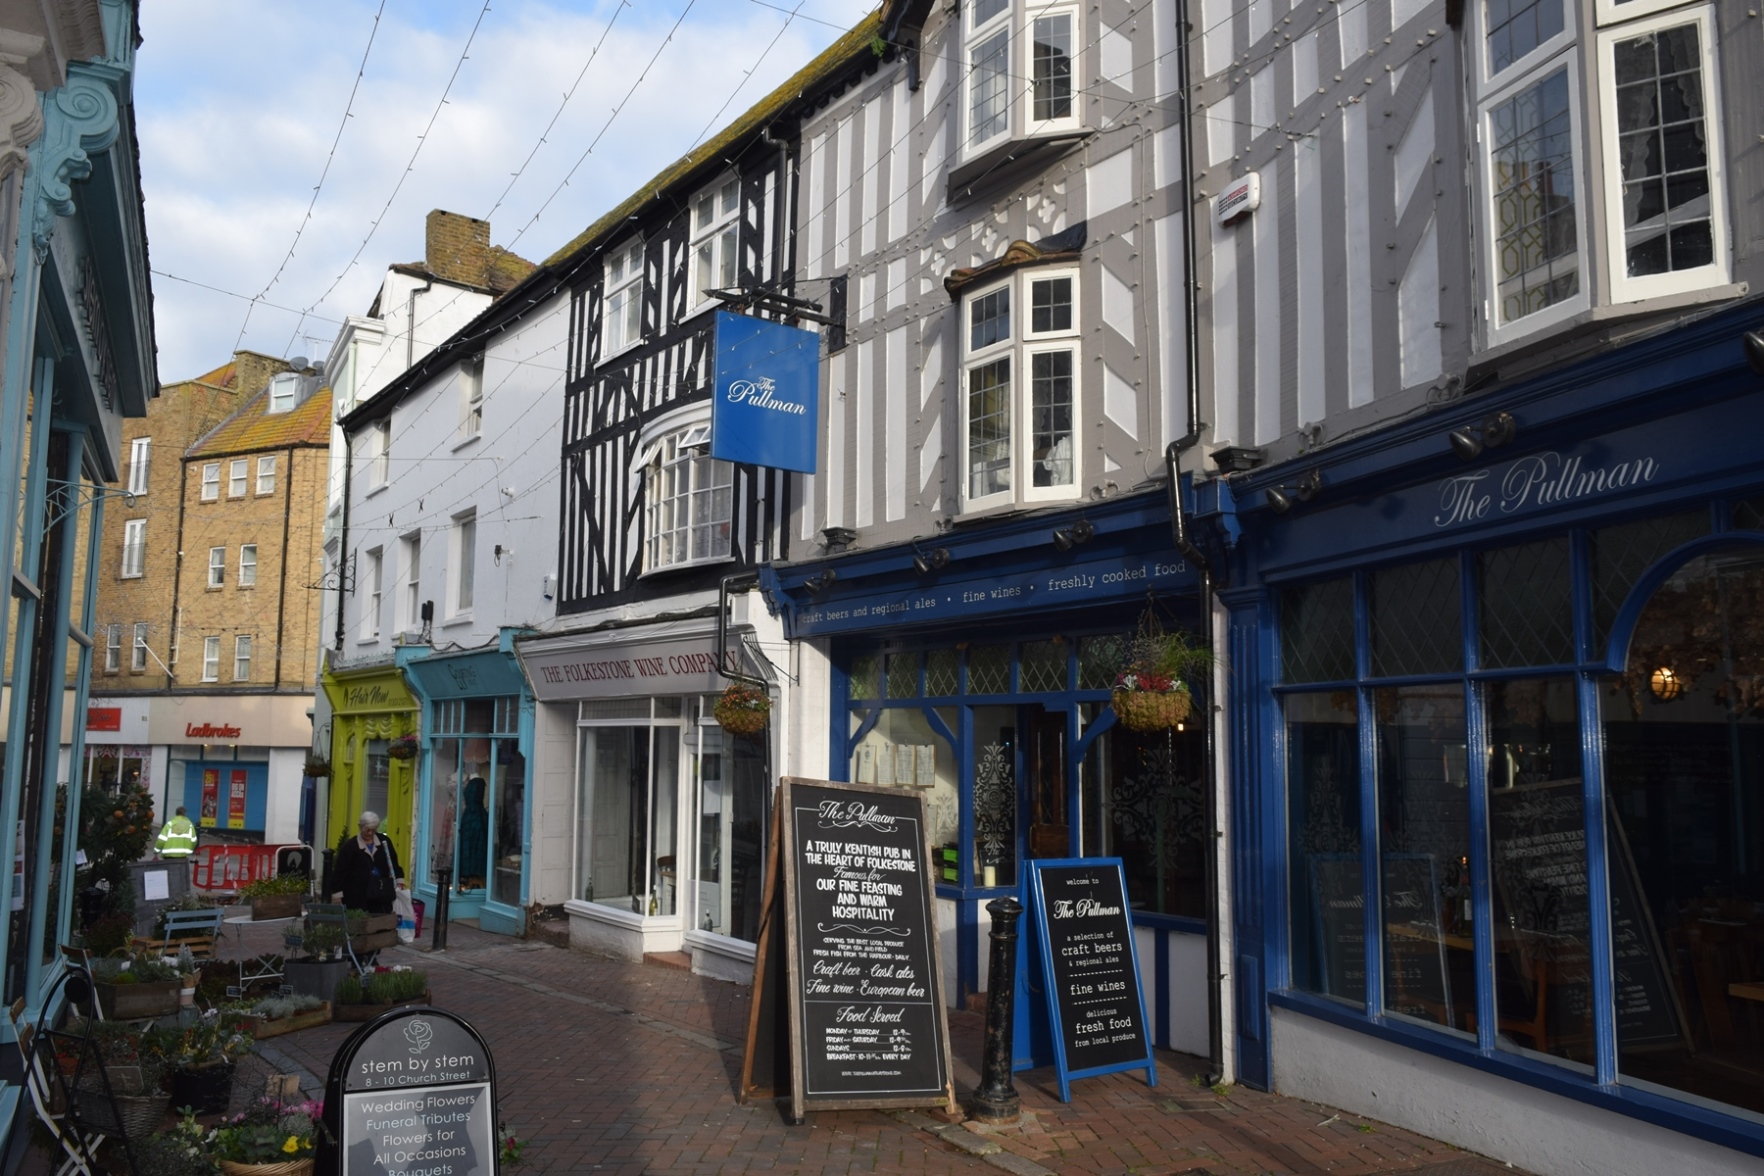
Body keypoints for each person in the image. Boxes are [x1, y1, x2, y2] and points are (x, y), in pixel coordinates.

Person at [333, 811, 403, 915]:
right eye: (367, 830)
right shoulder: (350, 847)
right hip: (357, 894)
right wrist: (337, 894)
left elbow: (393, 861)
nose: (370, 833)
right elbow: (340, 871)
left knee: (381, 918)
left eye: (373, 830)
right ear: (360, 826)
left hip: (381, 891)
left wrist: (399, 880)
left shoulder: (384, 841)